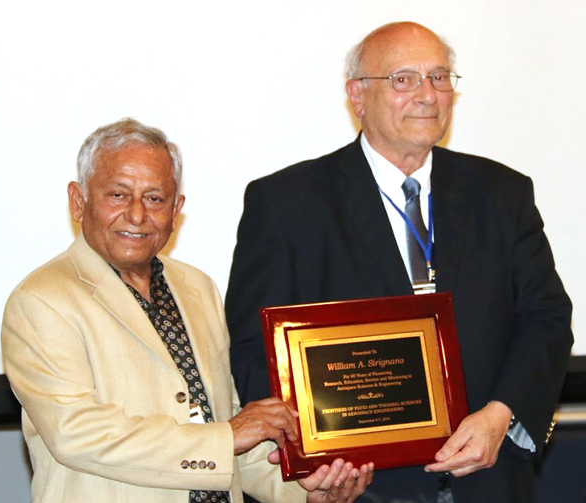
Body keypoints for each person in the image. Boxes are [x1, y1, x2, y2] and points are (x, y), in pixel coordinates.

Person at [225, 22, 573, 503]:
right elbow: (253, 347)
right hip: (362, 487)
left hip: (489, 481)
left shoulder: (502, 194)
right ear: (357, 96)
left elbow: (547, 319)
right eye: (404, 79)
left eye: (439, 77)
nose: (427, 95)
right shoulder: (286, 203)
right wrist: (313, 453)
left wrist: (503, 414)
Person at [1, 118, 373, 503]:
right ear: (78, 201)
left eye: (155, 198)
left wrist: (304, 490)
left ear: (176, 210)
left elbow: (222, 424)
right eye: (117, 195)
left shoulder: (197, 288)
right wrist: (227, 435)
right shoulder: (41, 300)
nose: (137, 214)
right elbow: (76, 433)